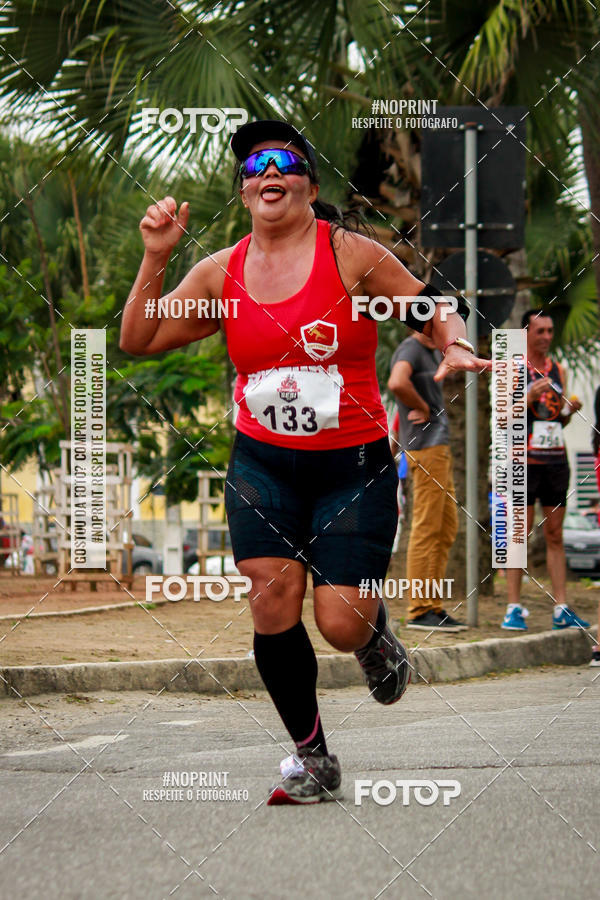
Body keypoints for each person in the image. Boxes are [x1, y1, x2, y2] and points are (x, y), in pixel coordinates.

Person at [120, 119, 489, 805]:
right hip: (262, 466)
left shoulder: (349, 255)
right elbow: (138, 336)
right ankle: (311, 754)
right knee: (271, 598)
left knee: (339, 621)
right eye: (255, 165)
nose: (268, 171)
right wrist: (156, 258)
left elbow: (433, 305)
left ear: (309, 185)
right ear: (244, 193)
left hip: (351, 469)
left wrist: (456, 342)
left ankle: (375, 633)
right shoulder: (220, 272)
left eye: (284, 161)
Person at [502, 309, 589, 631]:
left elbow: (557, 419)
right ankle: (513, 608)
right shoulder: (513, 370)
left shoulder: (559, 371)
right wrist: (526, 398)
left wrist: (570, 412)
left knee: (555, 534)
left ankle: (561, 608)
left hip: (555, 460)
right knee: (518, 535)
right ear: (526, 333)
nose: (547, 337)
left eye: (550, 331)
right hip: (523, 463)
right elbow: (502, 418)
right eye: (541, 331)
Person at [388, 330, 465, 631]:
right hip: (427, 447)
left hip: (437, 446)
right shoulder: (411, 349)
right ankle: (419, 610)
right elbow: (396, 382)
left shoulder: (434, 350)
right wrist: (420, 407)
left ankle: (433, 606)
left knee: (446, 527)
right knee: (427, 526)